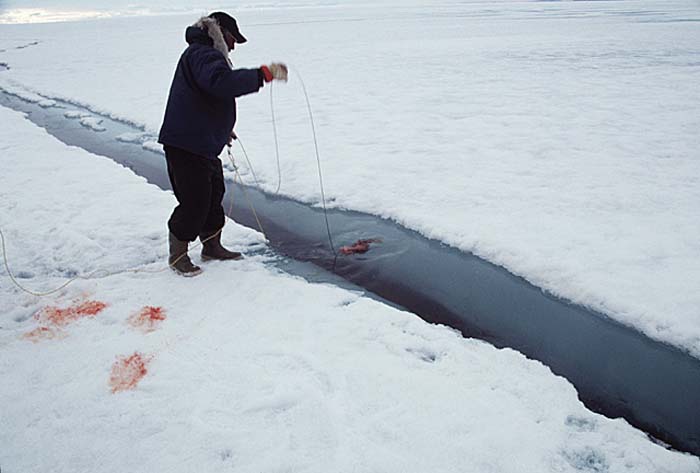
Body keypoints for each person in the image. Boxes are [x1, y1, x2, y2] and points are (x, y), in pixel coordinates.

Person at [158, 12, 288, 276]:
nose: (234, 45)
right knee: (195, 201)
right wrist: (262, 74)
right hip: (186, 144)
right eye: (233, 39)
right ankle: (178, 255)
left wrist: (222, 129)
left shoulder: (202, 55)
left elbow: (205, 97)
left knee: (214, 195)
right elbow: (221, 84)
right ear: (221, 33)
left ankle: (211, 246)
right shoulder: (204, 54)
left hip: (200, 142)